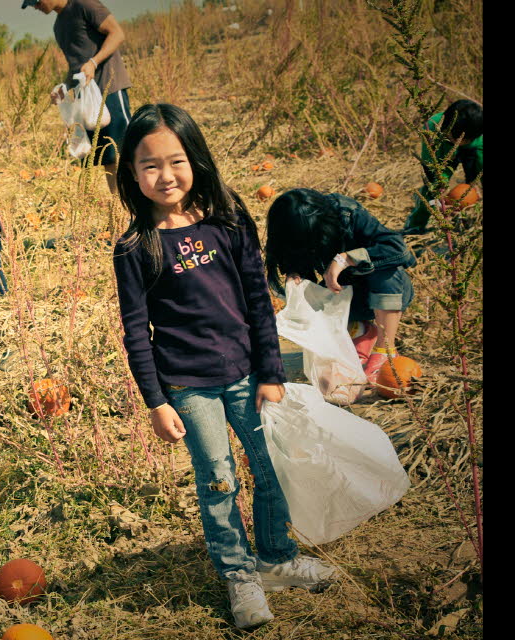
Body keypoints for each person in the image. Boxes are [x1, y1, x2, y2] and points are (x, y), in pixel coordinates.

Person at [112, 104, 338, 630]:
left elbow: (258, 300)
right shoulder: (134, 247)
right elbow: (136, 332)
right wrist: (156, 401)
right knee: (217, 479)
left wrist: (272, 372)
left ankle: (277, 559)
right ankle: (239, 576)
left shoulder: (228, 221)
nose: (165, 175)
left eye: (176, 161)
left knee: (270, 467)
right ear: (132, 173)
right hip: (188, 386)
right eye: (150, 165)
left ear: (195, 159)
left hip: (247, 374)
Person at [265, 188, 418, 383]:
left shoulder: (347, 213)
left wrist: (346, 259)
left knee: (387, 271)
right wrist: (295, 276)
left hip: (386, 289)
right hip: (345, 294)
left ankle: (385, 350)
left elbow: (398, 250)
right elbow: (296, 261)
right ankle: (360, 329)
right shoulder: (294, 229)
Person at [24, 0, 132, 194]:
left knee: (124, 150)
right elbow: (76, 67)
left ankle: (142, 199)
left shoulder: (84, 5)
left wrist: (94, 62)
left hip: (109, 86)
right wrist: (64, 88)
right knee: (107, 155)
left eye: (35, 1)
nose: (35, 7)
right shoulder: (58, 26)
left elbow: (117, 33)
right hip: (87, 98)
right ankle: (119, 203)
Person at [403, 99, 483, 234]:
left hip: (472, 150)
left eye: (464, 140)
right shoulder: (431, 129)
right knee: (429, 192)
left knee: (471, 190)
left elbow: (479, 160)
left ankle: (471, 224)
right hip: (443, 153)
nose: (459, 141)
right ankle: (415, 226)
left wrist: (474, 183)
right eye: (455, 138)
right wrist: (439, 196)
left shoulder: (477, 133)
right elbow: (432, 169)